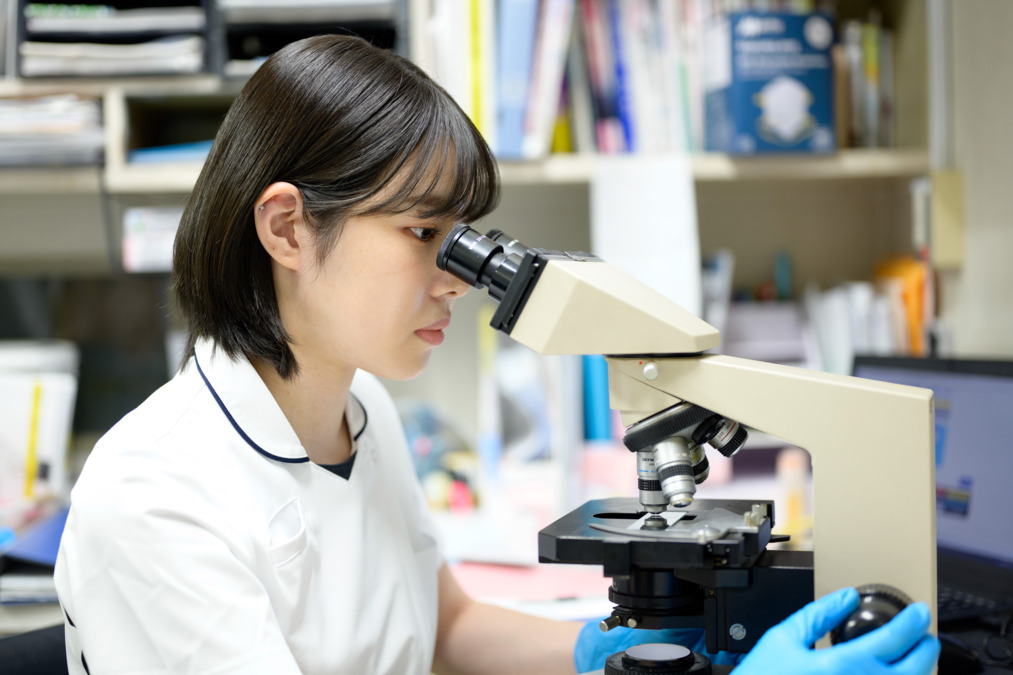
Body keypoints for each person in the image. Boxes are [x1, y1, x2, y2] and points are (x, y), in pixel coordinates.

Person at [53, 34, 939, 674]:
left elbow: (447, 632)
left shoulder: (362, 414)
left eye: (461, 238)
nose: (457, 276)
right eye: (423, 230)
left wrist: (611, 656)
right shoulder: (155, 499)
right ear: (288, 227)